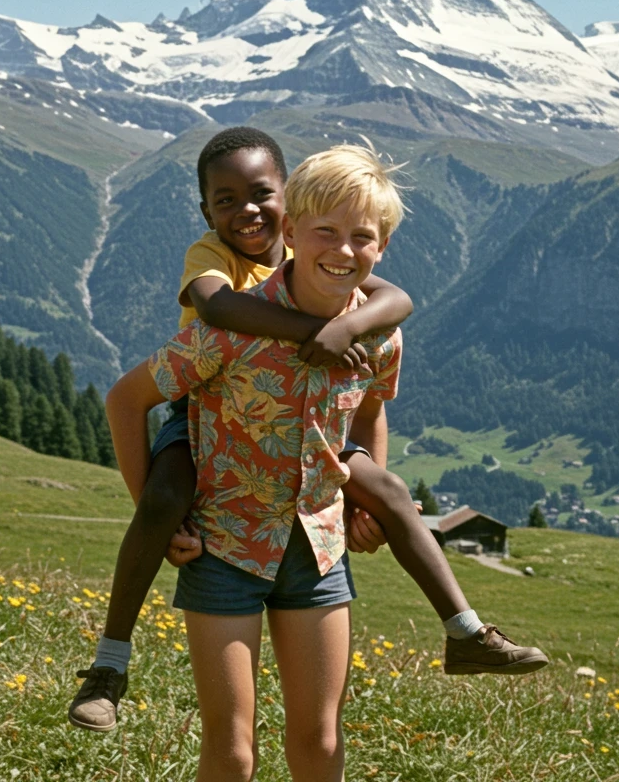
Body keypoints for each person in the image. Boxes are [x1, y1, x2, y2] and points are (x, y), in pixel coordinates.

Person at [68, 131, 547, 740]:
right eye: (226, 200)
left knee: (391, 491)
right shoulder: (213, 260)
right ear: (212, 213)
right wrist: (316, 333)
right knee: (163, 503)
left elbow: (393, 307)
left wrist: (354, 331)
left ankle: (467, 631)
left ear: (283, 201)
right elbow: (219, 311)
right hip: (206, 415)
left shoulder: (333, 260)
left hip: (314, 432)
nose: (246, 210)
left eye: (260, 194)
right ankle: (110, 663)